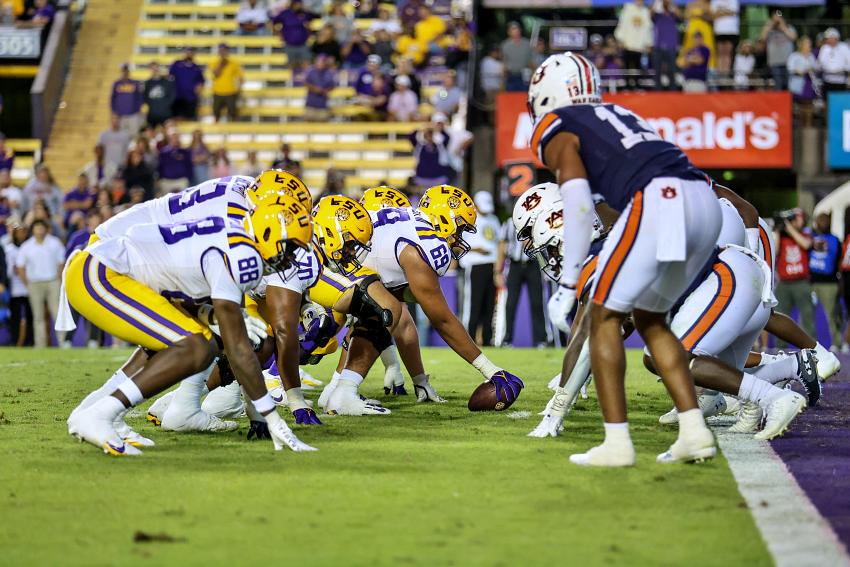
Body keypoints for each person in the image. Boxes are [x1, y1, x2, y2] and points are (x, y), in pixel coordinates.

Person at [528, 52, 723, 466]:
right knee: (650, 319)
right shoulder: (618, 112)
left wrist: (566, 285)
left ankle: (617, 443)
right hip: (704, 202)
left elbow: (579, 206)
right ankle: (694, 432)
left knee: (603, 315)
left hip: (660, 200)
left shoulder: (556, 124)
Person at [63, 185, 316, 455]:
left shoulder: (237, 234)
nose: (289, 259)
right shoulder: (243, 255)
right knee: (196, 347)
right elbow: (239, 350)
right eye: (289, 249)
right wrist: (270, 417)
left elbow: (190, 296)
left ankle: (96, 411)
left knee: (183, 343)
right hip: (102, 272)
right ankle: (100, 415)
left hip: (112, 269)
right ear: (268, 234)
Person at [362, 185, 526, 406]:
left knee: (386, 309)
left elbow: (404, 323)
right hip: (325, 269)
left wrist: (414, 377)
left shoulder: (406, 227)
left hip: (344, 271)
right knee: (361, 316)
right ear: (444, 218)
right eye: (460, 227)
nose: (460, 237)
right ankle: (333, 391)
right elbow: (442, 320)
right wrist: (491, 370)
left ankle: (340, 388)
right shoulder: (423, 242)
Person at [15, 219, 65, 348]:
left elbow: (61, 262)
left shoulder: (55, 243)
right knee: (38, 316)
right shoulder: (27, 246)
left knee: (57, 313)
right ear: (33, 230)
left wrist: (59, 278)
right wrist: (27, 283)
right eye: (37, 228)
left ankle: (64, 342)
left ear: (46, 229)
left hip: (53, 282)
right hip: (34, 283)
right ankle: (40, 344)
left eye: (41, 227)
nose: (39, 230)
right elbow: (20, 266)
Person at [459, 192, 501, 347]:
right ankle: (468, 339)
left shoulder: (493, 219)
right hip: (475, 265)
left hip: (492, 265)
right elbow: (459, 244)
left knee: (489, 305)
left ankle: (487, 338)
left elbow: (498, 242)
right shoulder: (467, 220)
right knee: (473, 305)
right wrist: (476, 249)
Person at [774, 209, 815, 346]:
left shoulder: (806, 234)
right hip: (784, 283)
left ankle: (811, 348)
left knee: (807, 316)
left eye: (796, 219)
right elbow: (774, 250)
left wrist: (789, 228)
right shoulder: (781, 237)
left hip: (801, 282)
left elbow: (806, 244)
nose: (795, 221)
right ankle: (780, 348)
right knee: (781, 317)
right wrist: (777, 230)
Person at [809, 213, 841, 348]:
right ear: (815, 222)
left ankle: (837, 343)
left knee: (832, 315)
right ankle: (808, 344)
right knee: (807, 315)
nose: (823, 223)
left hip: (829, 283)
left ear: (829, 222)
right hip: (811, 282)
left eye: (825, 220)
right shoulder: (809, 237)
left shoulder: (834, 239)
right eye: (820, 220)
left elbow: (837, 260)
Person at [3, 220, 32, 346]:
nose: (21, 234)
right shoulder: (9, 249)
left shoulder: (30, 247)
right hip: (15, 288)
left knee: (30, 316)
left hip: (29, 286)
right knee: (15, 317)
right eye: (18, 232)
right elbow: (8, 270)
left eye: (23, 232)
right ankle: (15, 340)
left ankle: (30, 341)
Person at [614, 0, 654, 89]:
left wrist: (649, 43)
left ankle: (637, 86)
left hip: (640, 46)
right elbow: (622, 24)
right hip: (627, 44)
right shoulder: (628, 9)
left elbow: (649, 28)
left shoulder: (645, 11)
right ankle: (627, 86)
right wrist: (620, 39)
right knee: (627, 66)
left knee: (639, 67)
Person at [271, 0, 314, 72]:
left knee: (306, 63)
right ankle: (291, 82)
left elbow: (316, 17)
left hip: (303, 44)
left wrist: (309, 32)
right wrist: (278, 33)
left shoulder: (304, 13)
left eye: (300, 4)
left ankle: (306, 80)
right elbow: (273, 22)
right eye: (297, 4)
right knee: (291, 64)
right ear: (292, 4)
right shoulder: (285, 13)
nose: (299, 6)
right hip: (289, 44)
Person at [759, 10, 796, 91]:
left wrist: (782, 26)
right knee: (778, 85)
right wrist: (769, 25)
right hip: (774, 62)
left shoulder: (789, 27)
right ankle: (779, 103)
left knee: (789, 84)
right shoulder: (769, 29)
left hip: (788, 62)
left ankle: (789, 103)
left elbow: (793, 37)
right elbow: (762, 39)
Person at [788, 37, 818, 127]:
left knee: (809, 103)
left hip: (808, 81)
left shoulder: (811, 56)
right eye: (807, 44)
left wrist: (811, 69)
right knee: (800, 104)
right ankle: (800, 125)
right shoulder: (794, 56)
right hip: (798, 81)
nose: (809, 46)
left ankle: (808, 125)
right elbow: (790, 68)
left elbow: (815, 67)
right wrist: (800, 71)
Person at [169, 48, 205, 120]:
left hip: (191, 99)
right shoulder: (177, 64)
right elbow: (169, 76)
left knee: (190, 119)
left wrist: (199, 88)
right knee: (176, 119)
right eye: (187, 52)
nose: (189, 54)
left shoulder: (196, 68)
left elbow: (201, 81)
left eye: (191, 52)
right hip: (178, 98)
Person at [651, 0, 680, 91]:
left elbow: (679, 15)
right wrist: (657, 2)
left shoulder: (673, 16)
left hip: (671, 46)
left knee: (671, 71)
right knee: (658, 71)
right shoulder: (658, 16)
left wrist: (671, 3)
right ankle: (658, 92)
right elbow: (651, 13)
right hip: (658, 46)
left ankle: (673, 91)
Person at [211, 44, 243, 123]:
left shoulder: (234, 63)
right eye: (221, 50)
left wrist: (239, 88)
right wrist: (221, 64)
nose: (223, 52)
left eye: (225, 50)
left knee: (233, 113)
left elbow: (240, 77)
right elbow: (216, 74)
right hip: (218, 91)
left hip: (230, 91)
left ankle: (234, 131)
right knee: (216, 113)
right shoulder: (214, 62)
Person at [110, 64, 144, 135]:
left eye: (126, 70)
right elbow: (112, 98)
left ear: (128, 72)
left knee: (134, 134)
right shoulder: (117, 84)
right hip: (120, 115)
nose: (125, 72)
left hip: (133, 114)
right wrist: (114, 111)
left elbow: (140, 98)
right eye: (123, 71)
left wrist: (137, 110)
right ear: (121, 72)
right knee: (122, 135)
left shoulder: (135, 83)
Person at [501, 21, 534, 92]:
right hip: (511, 76)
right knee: (511, 97)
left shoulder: (527, 44)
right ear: (509, 32)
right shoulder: (505, 45)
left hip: (524, 76)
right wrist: (503, 78)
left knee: (524, 96)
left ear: (520, 30)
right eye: (513, 29)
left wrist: (533, 74)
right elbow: (504, 61)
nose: (515, 31)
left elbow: (531, 60)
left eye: (517, 29)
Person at [304, 54, 337, 121]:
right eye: (318, 61)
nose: (320, 64)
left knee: (323, 121)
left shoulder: (329, 73)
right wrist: (315, 89)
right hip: (310, 103)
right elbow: (306, 83)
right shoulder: (311, 71)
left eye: (322, 62)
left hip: (323, 104)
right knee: (309, 121)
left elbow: (332, 86)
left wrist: (325, 91)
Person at [817, 28, 850, 95]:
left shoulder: (844, 47)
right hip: (827, 80)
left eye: (829, 38)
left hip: (841, 80)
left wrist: (843, 69)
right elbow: (820, 62)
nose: (828, 40)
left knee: (839, 100)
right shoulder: (824, 48)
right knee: (828, 100)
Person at [143, 62, 176, 128]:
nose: (155, 70)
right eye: (152, 68)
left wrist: (164, 106)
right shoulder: (148, 83)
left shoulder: (167, 82)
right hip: (152, 114)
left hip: (165, 113)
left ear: (159, 68)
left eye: (156, 67)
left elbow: (172, 96)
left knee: (167, 133)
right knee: (151, 133)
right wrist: (153, 105)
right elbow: (145, 97)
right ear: (150, 69)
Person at [710, 0, 738, 74]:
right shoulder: (715, 1)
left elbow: (734, 12)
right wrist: (726, 12)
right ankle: (719, 75)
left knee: (727, 54)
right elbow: (713, 14)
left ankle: (725, 74)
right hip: (719, 30)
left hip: (731, 30)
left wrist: (720, 12)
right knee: (720, 54)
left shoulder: (733, 1)